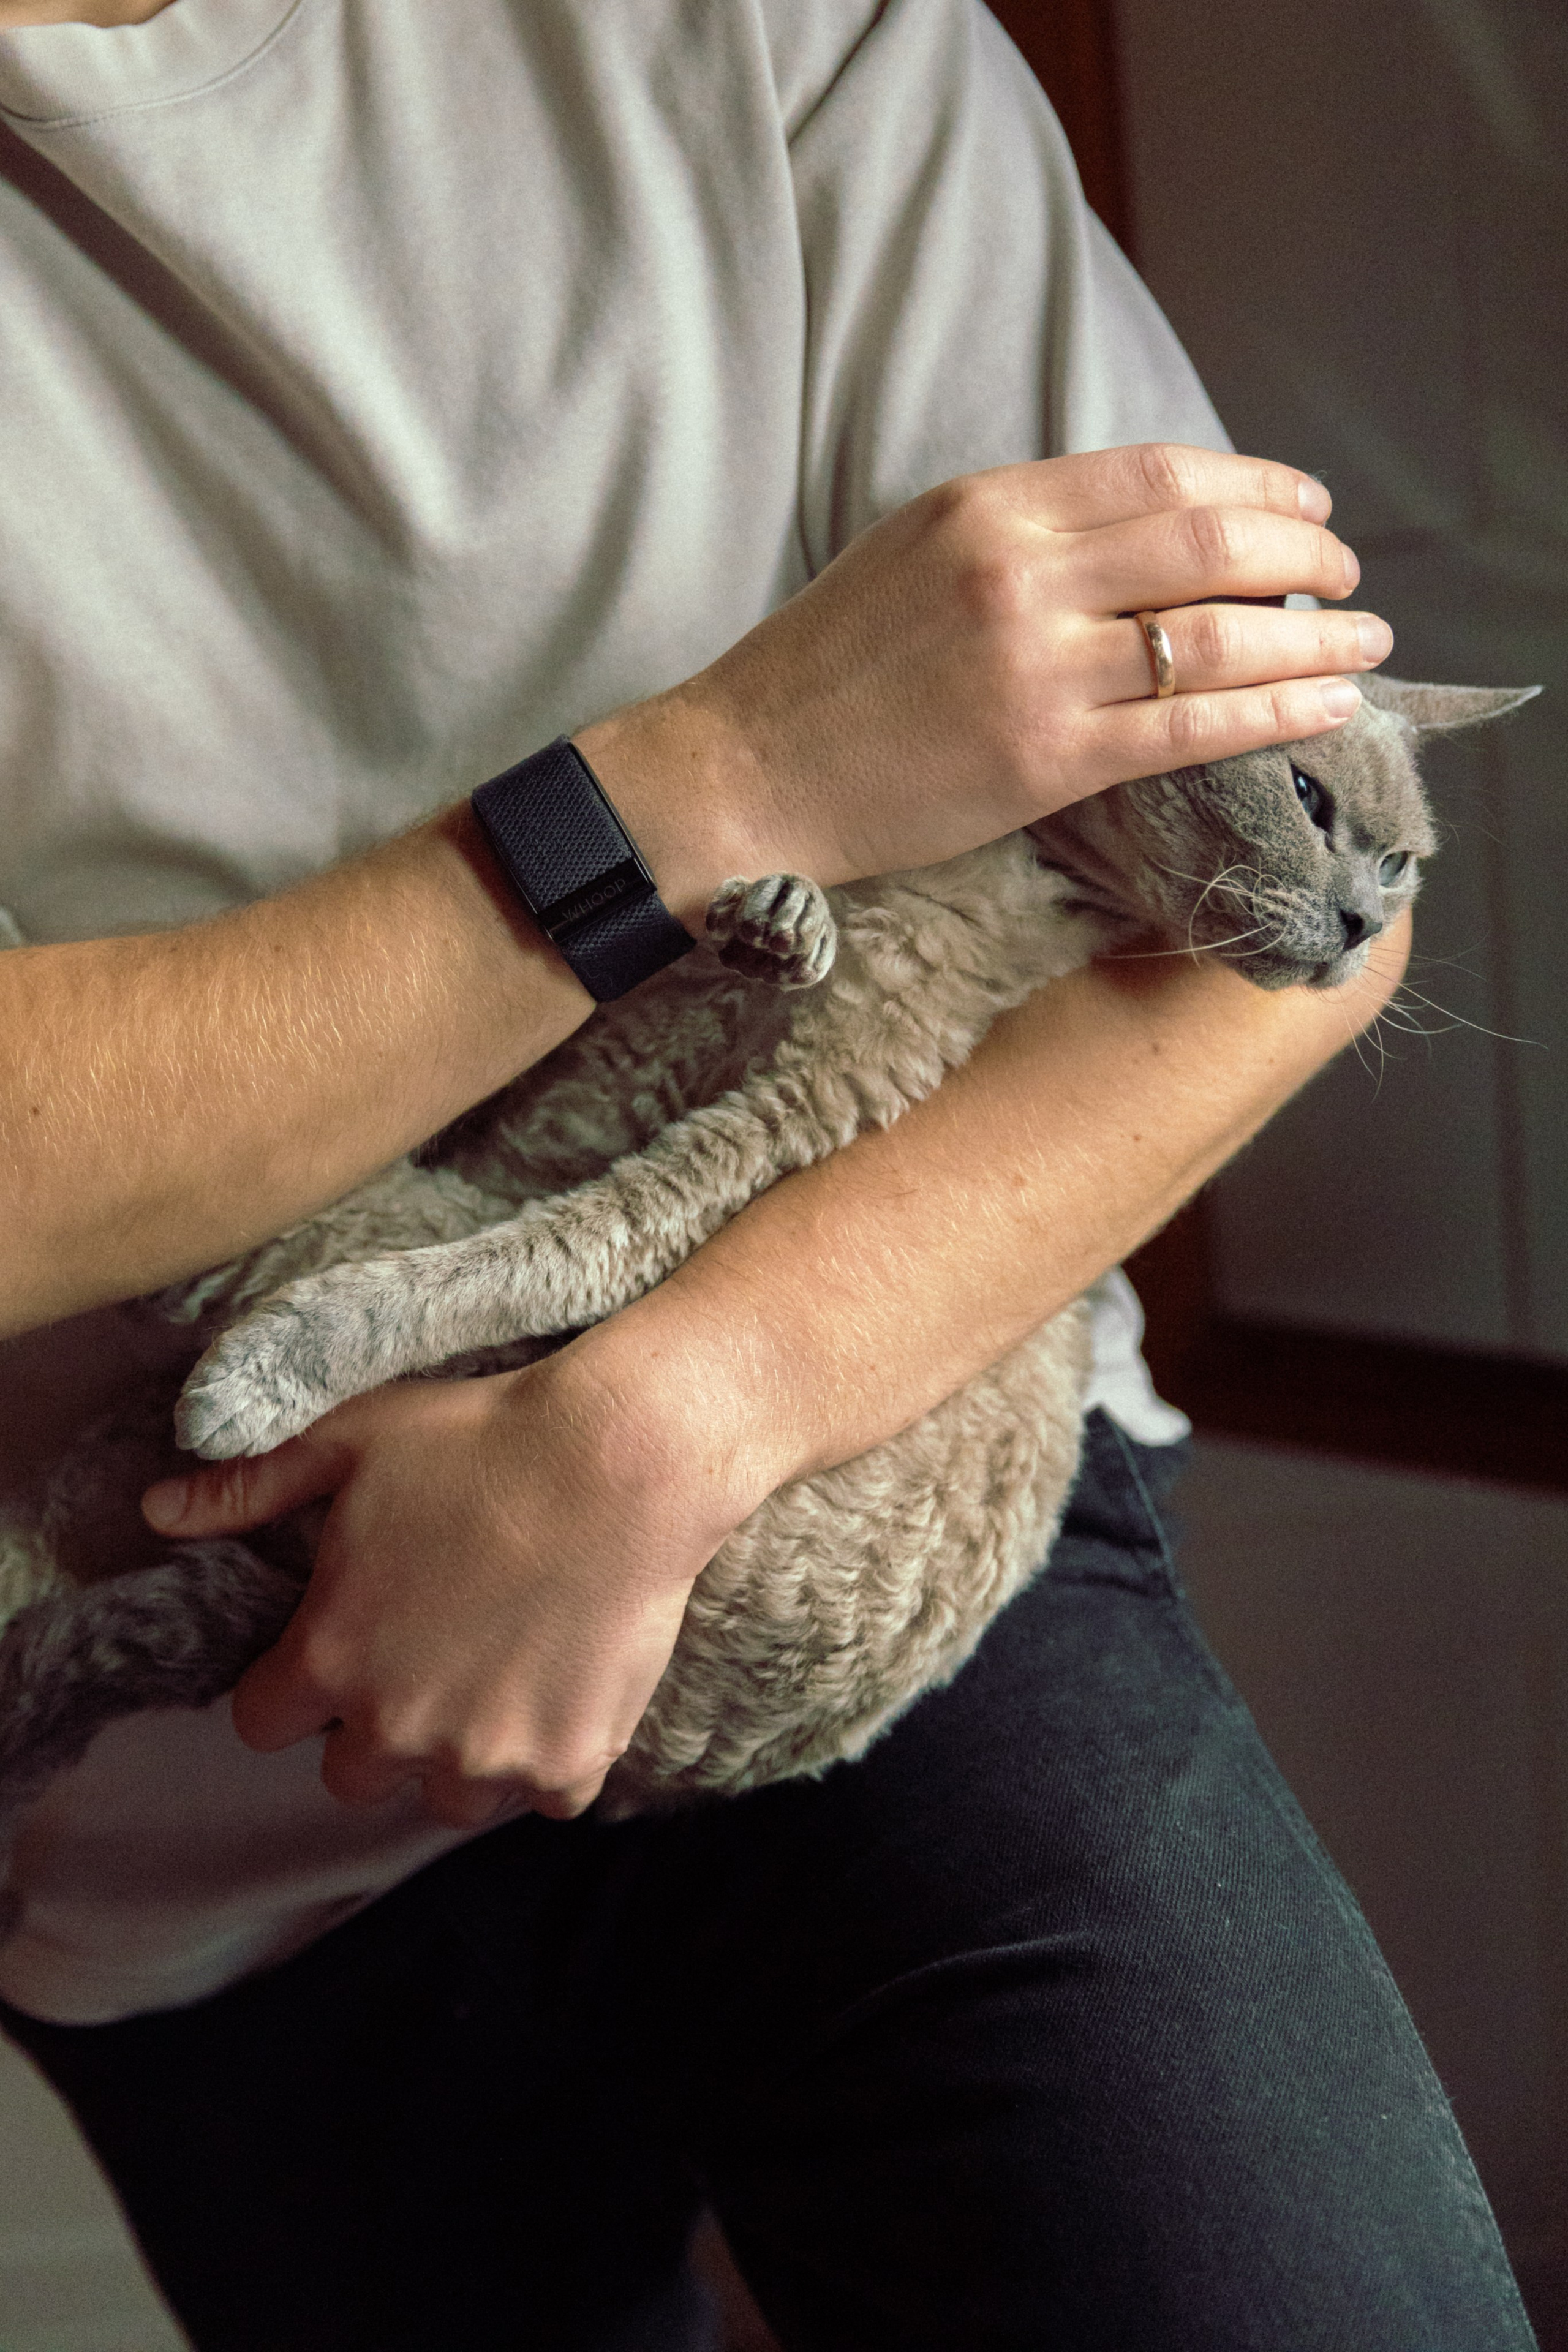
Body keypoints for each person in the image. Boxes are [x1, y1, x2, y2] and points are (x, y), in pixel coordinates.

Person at [0, 1, 1539, 2346]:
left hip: (876, 1482)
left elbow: (1296, 902)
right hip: (182, 1764)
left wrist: (662, 1423)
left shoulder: (785, 29)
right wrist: (711, 782)